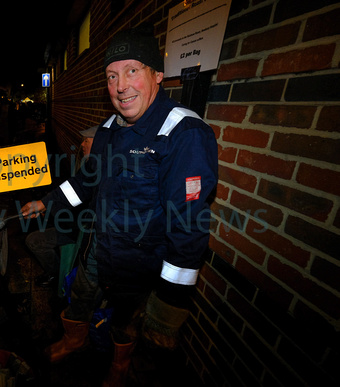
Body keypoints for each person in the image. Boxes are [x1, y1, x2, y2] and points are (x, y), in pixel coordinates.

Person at [21, 24, 218, 386]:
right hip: (101, 248)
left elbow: (188, 227)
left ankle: (119, 367)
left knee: (126, 322)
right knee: (79, 296)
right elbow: (85, 183)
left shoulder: (184, 134)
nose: (121, 86)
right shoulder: (110, 128)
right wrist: (46, 202)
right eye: (112, 76)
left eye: (132, 71)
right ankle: (73, 340)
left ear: (157, 75)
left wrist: (169, 302)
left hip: (143, 266)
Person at [25, 125, 98, 289]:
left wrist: (47, 207)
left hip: (80, 231)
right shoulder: (89, 165)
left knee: (34, 241)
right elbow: (72, 193)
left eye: (86, 141)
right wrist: (47, 207)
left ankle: (58, 278)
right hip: (75, 226)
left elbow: (79, 202)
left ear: (98, 143)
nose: (82, 145)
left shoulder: (98, 168)